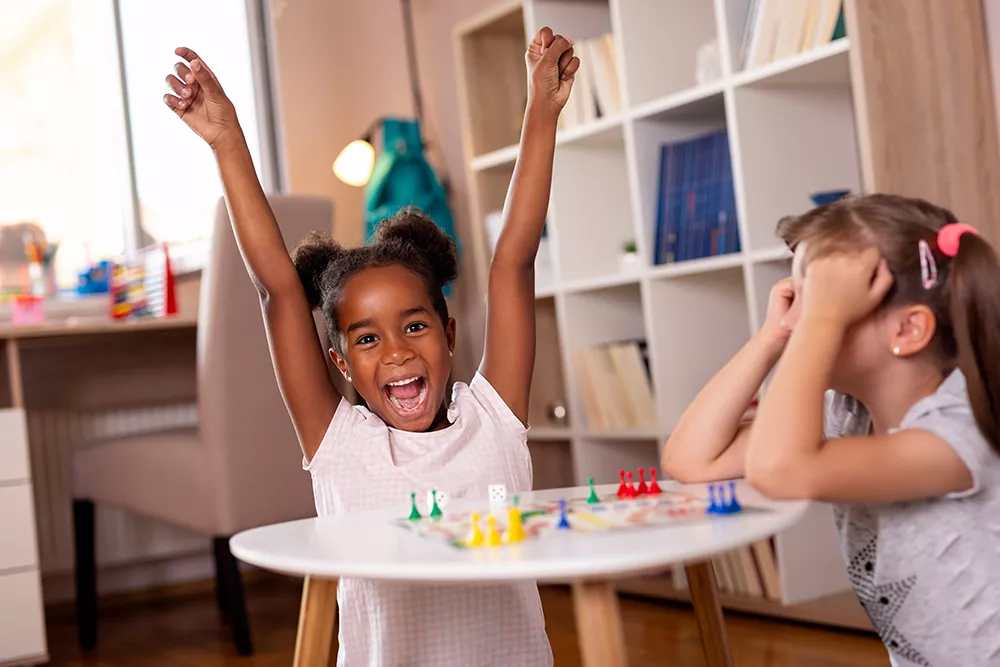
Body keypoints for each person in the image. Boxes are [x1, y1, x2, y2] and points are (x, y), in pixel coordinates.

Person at [163, 27, 579, 667]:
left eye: (414, 326)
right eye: (366, 338)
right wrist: (226, 140)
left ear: (449, 334)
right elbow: (278, 289)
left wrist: (541, 112)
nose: (395, 353)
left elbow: (513, 262)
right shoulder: (340, 444)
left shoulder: (494, 421)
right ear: (340, 362)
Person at [661, 194, 1000, 666]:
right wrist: (771, 338)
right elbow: (692, 459)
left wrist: (820, 318)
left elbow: (778, 470)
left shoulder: (958, 433)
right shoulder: (848, 414)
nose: (798, 317)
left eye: (821, 297)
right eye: (797, 296)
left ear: (907, 330)